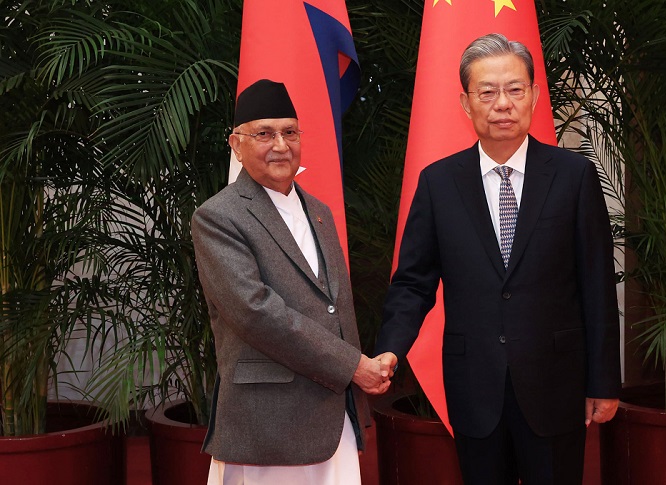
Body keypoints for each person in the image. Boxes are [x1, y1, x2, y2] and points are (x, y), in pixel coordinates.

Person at [374, 33, 621, 485]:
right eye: (487, 92)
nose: (502, 104)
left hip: (555, 383)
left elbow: (597, 285)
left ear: (534, 96)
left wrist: (603, 382)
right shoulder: (438, 183)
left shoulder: (574, 177)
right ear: (466, 103)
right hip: (474, 385)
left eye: (514, 89)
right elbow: (413, 281)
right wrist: (391, 349)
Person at [192, 79, 393, 485]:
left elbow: (334, 308)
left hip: (333, 416)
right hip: (268, 424)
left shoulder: (320, 211)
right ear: (236, 144)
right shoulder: (219, 217)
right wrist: (353, 366)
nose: (281, 145)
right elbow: (255, 313)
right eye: (265, 134)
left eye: (290, 132)